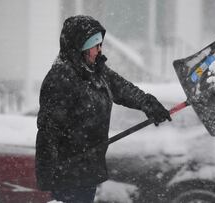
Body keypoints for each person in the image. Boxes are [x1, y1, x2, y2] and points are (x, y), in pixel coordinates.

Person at [35, 15, 171, 203]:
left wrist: (148, 104)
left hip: (87, 168)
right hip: (68, 172)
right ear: (79, 47)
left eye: (100, 44)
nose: (99, 50)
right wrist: (50, 171)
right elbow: (48, 129)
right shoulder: (61, 78)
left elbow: (122, 88)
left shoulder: (95, 71)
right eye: (94, 45)